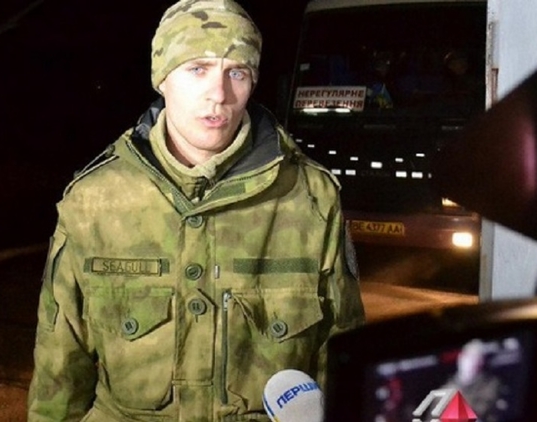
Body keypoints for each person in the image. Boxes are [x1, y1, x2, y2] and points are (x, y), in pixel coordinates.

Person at [27, 1, 366, 420]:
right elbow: (60, 365)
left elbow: (343, 353)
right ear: (162, 78)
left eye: (236, 73)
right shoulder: (95, 200)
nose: (218, 94)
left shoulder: (310, 198)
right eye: (197, 69)